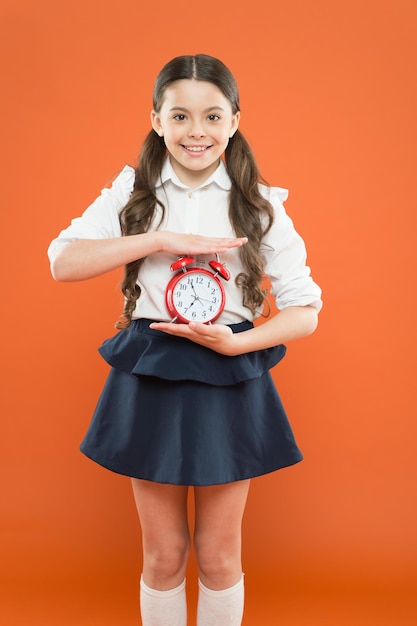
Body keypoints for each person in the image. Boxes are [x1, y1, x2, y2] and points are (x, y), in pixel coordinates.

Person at [48, 53, 322, 626]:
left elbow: (304, 310)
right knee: (164, 553)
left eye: (212, 116)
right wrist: (156, 238)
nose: (196, 131)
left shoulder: (260, 204)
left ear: (235, 120)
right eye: (179, 116)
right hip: (152, 367)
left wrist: (237, 345)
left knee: (220, 556)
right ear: (156, 120)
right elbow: (62, 262)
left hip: (230, 369)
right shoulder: (133, 191)